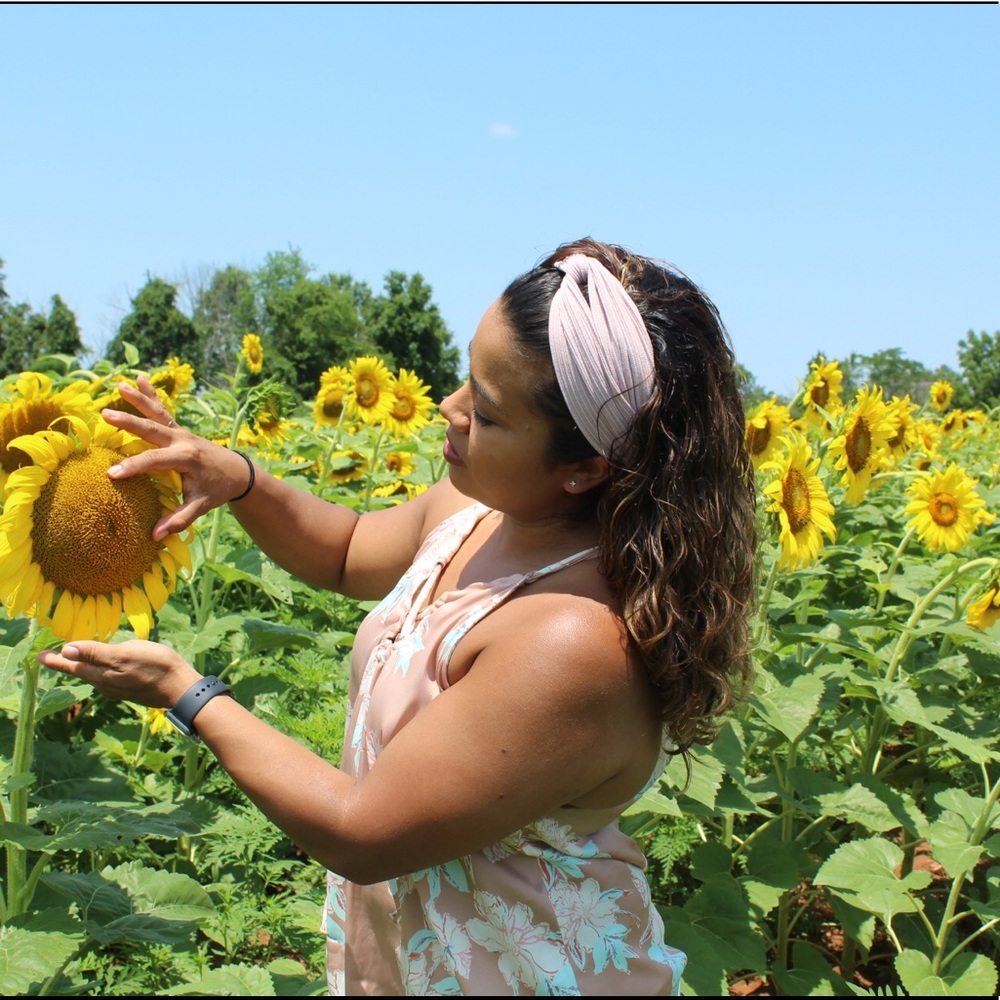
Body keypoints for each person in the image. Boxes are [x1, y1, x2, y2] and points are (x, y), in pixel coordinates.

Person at [40, 238, 756, 996]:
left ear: (585, 468)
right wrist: (238, 479)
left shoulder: (572, 639)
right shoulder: (476, 512)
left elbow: (361, 832)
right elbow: (348, 548)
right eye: (464, 381)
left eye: (485, 411)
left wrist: (189, 696)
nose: (448, 411)